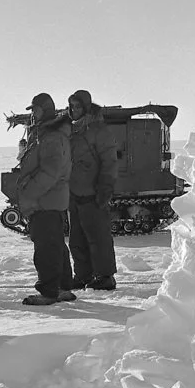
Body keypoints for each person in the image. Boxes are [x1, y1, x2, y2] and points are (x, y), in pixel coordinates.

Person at [16, 93, 76, 306]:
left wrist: (29, 193)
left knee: (46, 248)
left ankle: (49, 291)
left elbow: (50, 172)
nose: (32, 114)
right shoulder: (47, 135)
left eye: (36, 110)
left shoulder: (51, 137)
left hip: (45, 201)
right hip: (51, 200)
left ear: (45, 110)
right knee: (56, 245)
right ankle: (62, 287)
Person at [67, 89, 119, 290]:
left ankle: (105, 276)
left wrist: (105, 187)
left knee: (98, 238)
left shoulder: (99, 131)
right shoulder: (71, 130)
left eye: (78, 106)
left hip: (93, 193)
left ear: (86, 107)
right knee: (76, 239)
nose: (74, 110)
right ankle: (82, 275)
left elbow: (109, 161)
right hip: (74, 192)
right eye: (71, 106)